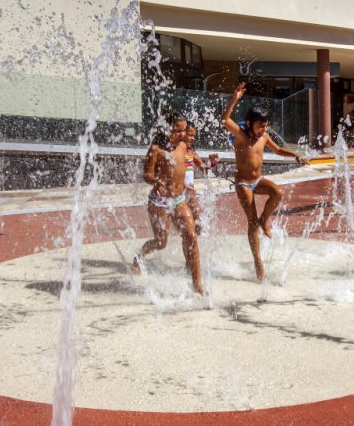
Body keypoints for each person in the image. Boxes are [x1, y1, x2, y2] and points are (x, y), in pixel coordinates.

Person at [221, 82, 309, 282]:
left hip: (258, 179)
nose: (264, 129)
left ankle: (265, 220)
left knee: (277, 192)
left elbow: (277, 150)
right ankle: (257, 260)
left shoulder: (264, 137)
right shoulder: (241, 136)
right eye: (261, 125)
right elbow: (225, 119)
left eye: (266, 126)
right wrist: (235, 98)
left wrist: (296, 155)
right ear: (250, 123)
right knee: (251, 222)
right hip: (243, 183)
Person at [132, 111, 203, 295]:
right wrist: (156, 181)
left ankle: (197, 284)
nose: (182, 134)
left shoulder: (182, 145)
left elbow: (186, 161)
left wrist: (201, 165)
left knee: (191, 235)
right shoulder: (156, 149)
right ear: (167, 128)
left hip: (179, 199)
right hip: (159, 201)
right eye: (177, 130)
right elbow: (146, 174)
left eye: (184, 130)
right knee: (161, 242)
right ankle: (139, 257)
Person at [183, 122, 219, 234]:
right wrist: (184, 185)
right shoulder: (174, 152)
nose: (193, 138)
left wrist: (211, 162)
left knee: (199, 224)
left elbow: (204, 168)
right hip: (176, 194)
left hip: (189, 194)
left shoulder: (191, 153)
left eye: (194, 136)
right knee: (185, 229)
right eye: (190, 135)